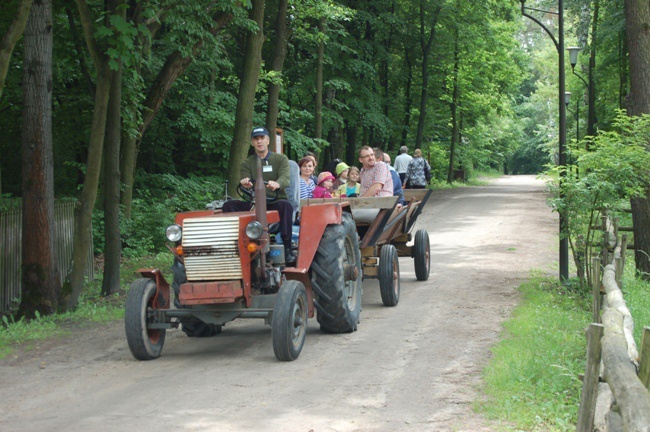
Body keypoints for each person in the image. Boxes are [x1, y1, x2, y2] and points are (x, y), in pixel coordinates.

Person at [222, 126, 296, 262]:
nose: (259, 141)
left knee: (286, 206)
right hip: (254, 203)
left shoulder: (280, 159)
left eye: (262, 138)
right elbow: (245, 179)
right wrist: (246, 183)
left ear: (268, 140)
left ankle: (287, 248)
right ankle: (231, 245)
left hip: (273, 202)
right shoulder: (247, 163)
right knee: (229, 205)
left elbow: (285, 178)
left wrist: (277, 184)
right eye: (256, 139)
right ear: (252, 142)